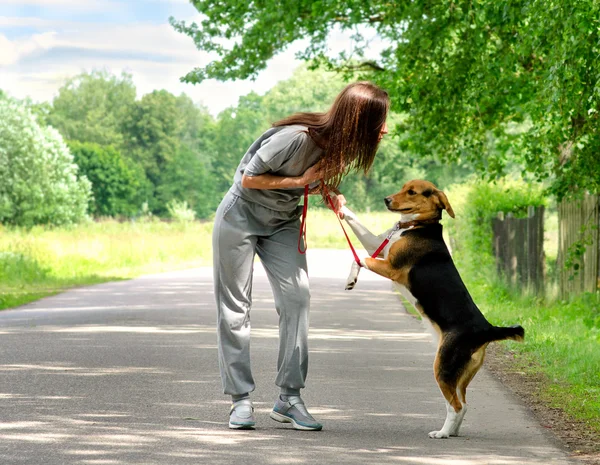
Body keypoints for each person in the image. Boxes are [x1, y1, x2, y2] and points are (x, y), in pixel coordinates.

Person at [212, 81, 390, 431]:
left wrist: (329, 190)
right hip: (239, 217)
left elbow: (310, 177)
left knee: (297, 299)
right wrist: (300, 183)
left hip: (282, 222)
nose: (384, 129)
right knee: (235, 308)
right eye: (379, 121)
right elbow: (249, 179)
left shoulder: (339, 148)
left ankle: (288, 398)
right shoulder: (295, 137)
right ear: (359, 120)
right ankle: (240, 401)